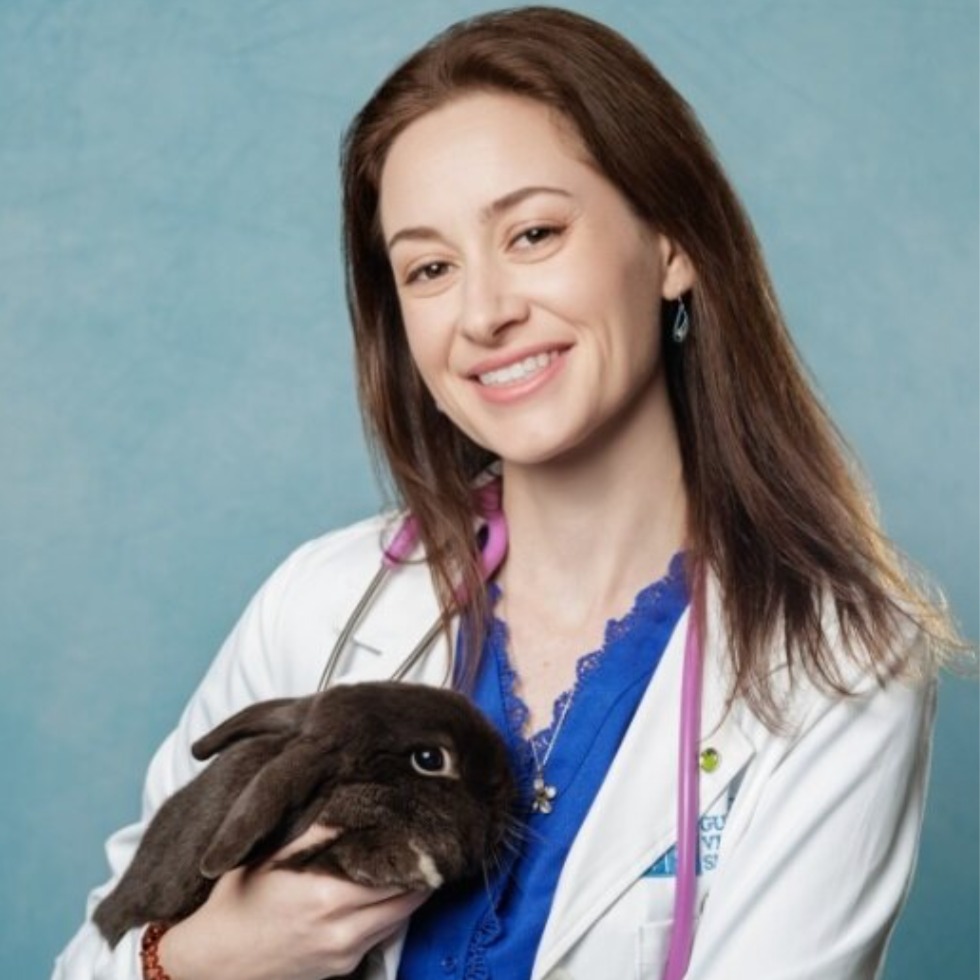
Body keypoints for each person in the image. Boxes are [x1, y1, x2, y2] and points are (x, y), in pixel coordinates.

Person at [53, 7, 960, 979]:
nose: (484, 312)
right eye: (430, 267)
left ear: (670, 245)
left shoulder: (836, 657)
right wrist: (194, 958)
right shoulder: (319, 602)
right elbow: (91, 955)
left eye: (531, 232)